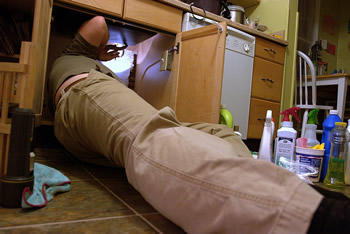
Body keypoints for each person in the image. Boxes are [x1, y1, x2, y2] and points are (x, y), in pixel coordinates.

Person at [48, 15, 350, 234]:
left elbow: (100, 27)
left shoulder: (95, 71)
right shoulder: (73, 56)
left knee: (220, 133)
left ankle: (264, 191)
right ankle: (307, 217)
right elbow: (98, 23)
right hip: (82, 95)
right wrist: (96, 53)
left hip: (92, 120)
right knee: (152, 135)